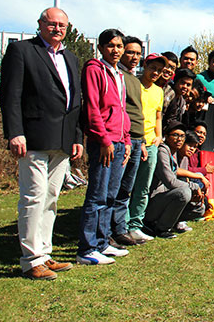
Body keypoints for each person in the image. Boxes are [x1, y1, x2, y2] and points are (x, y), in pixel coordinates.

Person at [0, 7, 82, 280]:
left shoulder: (70, 57)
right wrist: (15, 132)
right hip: (32, 137)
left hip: (62, 140)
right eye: (52, 23)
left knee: (51, 198)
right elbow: (11, 95)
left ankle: (45, 254)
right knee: (33, 197)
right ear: (40, 24)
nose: (57, 28)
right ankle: (31, 259)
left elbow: (75, 102)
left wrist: (77, 137)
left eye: (62, 25)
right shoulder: (22, 51)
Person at [77, 28, 132, 265]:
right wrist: (104, 140)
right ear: (100, 48)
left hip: (120, 142)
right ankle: (87, 248)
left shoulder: (119, 74)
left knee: (110, 195)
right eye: (111, 45)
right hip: (104, 143)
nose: (116, 50)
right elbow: (92, 107)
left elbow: (122, 110)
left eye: (119, 46)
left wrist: (127, 139)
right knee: (97, 195)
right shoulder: (94, 69)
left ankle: (103, 242)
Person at [110, 36, 147, 248]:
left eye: (137, 53)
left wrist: (140, 141)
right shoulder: (117, 75)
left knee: (126, 188)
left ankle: (120, 229)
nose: (134, 57)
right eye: (130, 52)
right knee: (112, 188)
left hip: (136, 139)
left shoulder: (134, 78)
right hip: (121, 139)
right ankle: (106, 232)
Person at [126, 53, 166, 244]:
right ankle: (121, 225)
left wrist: (158, 137)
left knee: (143, 186)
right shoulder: (133, 85)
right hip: (133, 141)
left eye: (159, 70)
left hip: (151, 144)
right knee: (127, 185)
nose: (156, 72)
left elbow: (158, 116)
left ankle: (135, 224)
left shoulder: (159, 91)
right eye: (153, 68)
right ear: (145, 66)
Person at [144, 122, 204, 239]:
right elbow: (170, 182)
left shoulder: (176, 153)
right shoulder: (163, 151)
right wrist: (194, 187)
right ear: (166, 136)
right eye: (175, 135)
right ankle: (161, 228)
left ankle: (173, 222)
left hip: (167, 197)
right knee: (184, 192)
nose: (179, 139)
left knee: (199, 208)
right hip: (154, 200)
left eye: (182, 136)